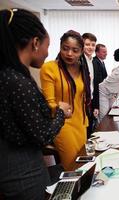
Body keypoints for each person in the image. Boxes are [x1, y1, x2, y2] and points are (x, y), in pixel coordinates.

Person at [0, 9, 71, 199]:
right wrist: (61, 113)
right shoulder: (18, 82)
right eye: (47, 46)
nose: (48, 54)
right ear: (36, 43)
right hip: (23, 172)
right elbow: (42, 135)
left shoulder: (9, 74)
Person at [40, 30, 91, 171]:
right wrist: (59, 109)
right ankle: (71, 192)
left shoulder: (83, 70)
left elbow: (83, 99)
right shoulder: (49, 68)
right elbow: (48, 102)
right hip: (62, 124)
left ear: (81, 52)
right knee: (72, 166)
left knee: (83, 163)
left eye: (75, 50)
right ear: (60, 47)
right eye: (65, 48)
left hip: (80, 122)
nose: (69, 54)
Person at [82, 32, 97, 137]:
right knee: (86, 129)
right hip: (82, 101)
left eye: (93, 45)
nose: (90, 47)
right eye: (87, 44)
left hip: (90, 99)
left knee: (90, 128)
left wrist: (95, 105)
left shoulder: (91, 60)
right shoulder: (80, 60)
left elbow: (93, 84)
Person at [91, 44, 108, 123]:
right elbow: (98, 82)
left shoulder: (101, 62)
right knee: (101, 119)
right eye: (103, 52)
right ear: (97, 53)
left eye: (106, 52)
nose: (106, 53)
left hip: (102, 93)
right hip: (98, 94)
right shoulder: (95, 62)